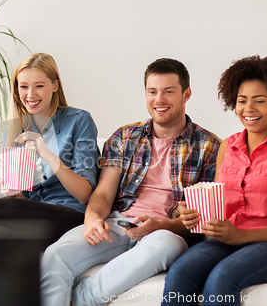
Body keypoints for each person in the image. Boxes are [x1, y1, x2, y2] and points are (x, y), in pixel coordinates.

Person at [40, 58, 221, 306]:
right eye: (152, 91)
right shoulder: (125, 137)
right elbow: (103, 194)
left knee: (165, 244)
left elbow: (199, 219)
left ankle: (84, 298)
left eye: (169, 91)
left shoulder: (209, 147)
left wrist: (161, 225)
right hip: (119, 223)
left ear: (186, 94)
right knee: (55, 255)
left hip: (165, 232)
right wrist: (93, 218)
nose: (160, 99)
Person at [161, 55, 267, 306]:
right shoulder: (227, 146)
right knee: (180, 272)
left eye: (259, 101)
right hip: (228, 238)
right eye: (242, 101)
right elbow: (218, 206)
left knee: (223, 276)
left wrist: (241, 236)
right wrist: (192, 215)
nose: (248, 109)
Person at [0, 53, 100, 243]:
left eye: (39, 86)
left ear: (55, 86)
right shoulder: (18, 129)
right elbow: (29, 199)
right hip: (40, 212)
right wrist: (16, 195)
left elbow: (84, 194)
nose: (30, 94)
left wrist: (48, 155)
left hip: (71, 213)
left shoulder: (79, 120)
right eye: (24, 86)